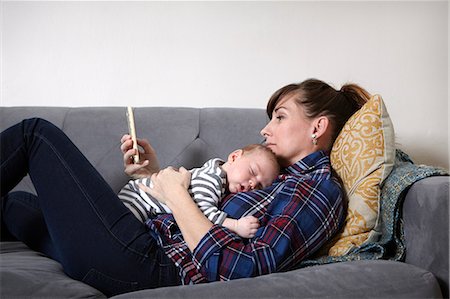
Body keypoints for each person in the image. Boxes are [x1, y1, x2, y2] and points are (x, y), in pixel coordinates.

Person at [1, 78, 370, 296]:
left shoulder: (315, 189)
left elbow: (238, 271)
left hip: (149, 264)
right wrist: (156, 177)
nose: (265, 129)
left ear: (317, 127)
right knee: (16, 206)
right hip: (139, 243)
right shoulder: (280, 179)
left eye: (280, 117)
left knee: (36, 134)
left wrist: (175, 193)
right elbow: (201, 213)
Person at [118, 144, 280, 238]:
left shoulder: (214, 171)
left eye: (259, 186)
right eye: (252, 171)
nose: (252, 184)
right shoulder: (213, 179)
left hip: (139, 198)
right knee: (124, 231)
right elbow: (201, 212)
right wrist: (235, 225)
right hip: (137, 200)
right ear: (234, 157)